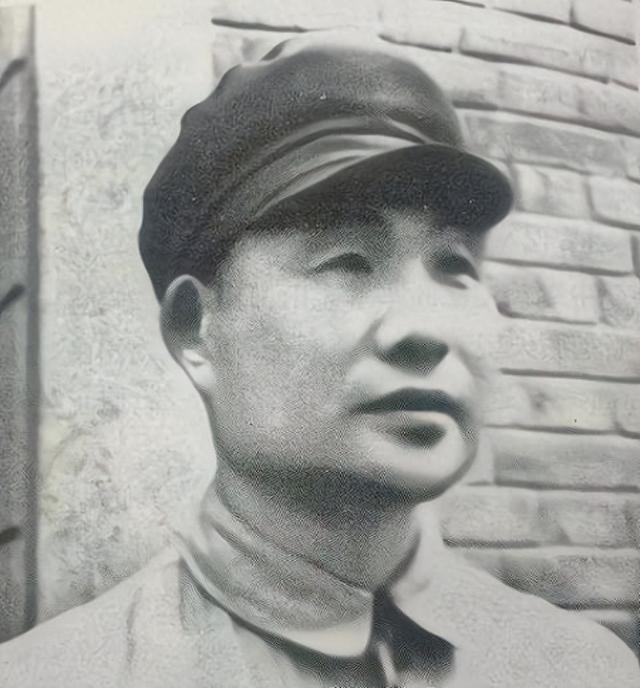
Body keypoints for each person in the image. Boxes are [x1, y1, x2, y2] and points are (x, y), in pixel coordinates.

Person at [0, 30, 637, 688]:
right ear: (195, 329)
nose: (425, 330)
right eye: (347, 262)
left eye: (454, 264)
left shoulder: (585, 671)